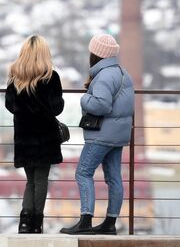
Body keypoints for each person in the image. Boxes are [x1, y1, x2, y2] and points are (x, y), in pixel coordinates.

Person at [60, 34, 134, 235]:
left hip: (102, 135)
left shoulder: (103, 76)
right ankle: (110, 223)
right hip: (118, 135)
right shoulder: (122, 73)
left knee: (83, 172)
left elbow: (101, 104)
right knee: (114, 178)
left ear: (97, 54)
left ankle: (85, 220)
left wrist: (85, 99)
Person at [5, 35, 64, 234]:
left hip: (24, 137)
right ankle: (37, 223)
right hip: (45, 138)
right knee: (41, 180)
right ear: (44, 53)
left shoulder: (15, 75)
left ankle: (24, 222)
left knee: (31, 181)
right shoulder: (51, 77)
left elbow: (9, 105)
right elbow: (57, 108)